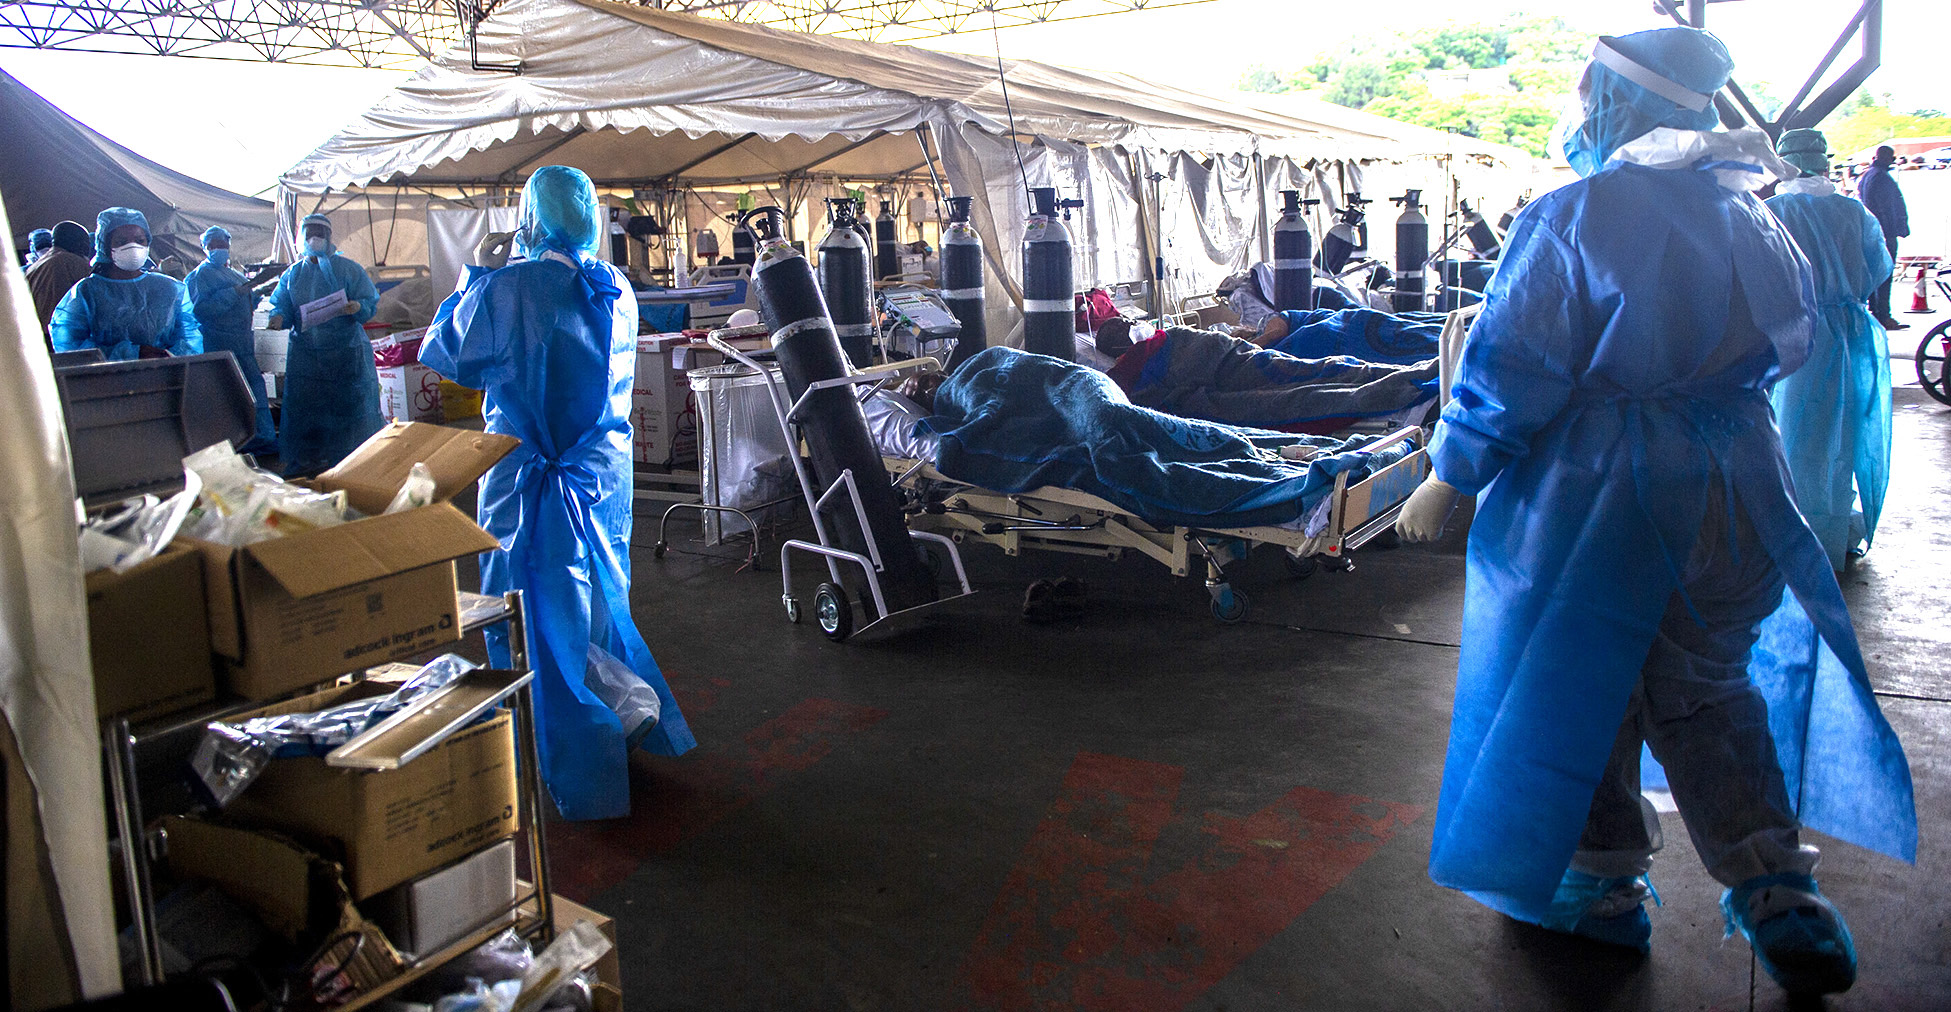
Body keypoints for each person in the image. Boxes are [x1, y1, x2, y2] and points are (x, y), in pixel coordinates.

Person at [1395, 28, 1914, 997]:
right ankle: (1774, 886)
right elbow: (1789, 342)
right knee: (1710, 690)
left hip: (1601, 495)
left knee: (1579, 694)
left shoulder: (1575, 214)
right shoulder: (1750, 214)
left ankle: (1597, 891)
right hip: (1737, 484)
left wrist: (1450, 472)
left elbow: (1514, 364)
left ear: (1612, 101)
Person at [421, 166, 695, 821]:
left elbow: (445, 352)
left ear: (529, 218)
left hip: (529, 479)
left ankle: (572, 758)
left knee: (532, 616)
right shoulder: (613, 286)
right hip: (600, 478)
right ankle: (616, 717)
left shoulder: (510, 288)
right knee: (595, 601)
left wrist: (474, 277)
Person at [1766, 130, 1893, 572]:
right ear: (1824, 163)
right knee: (1842, 439)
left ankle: (1792, 539)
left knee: (1789, 437)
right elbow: (1878, 267)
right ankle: (1834, 537)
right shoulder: (1854, 212)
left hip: (1793, 336)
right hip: (1850, 334)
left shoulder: (1771, 212)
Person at [266, 213, 381, 476]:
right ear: (301, 237)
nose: (315, 238)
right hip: (306, 357)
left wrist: (358, 306)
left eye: (320, 233)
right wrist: (279, 317)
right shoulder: (293, 274)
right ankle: (307, 462)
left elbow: (369, 301)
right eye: (310, 233)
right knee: (306, 409)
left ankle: (353, 461)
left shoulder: (348, 269)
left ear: (329, 236)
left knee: (349, 407)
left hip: (345, 352)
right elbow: (282, 303)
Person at [50, 208, 201, 361]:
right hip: (109, 374)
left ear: (148, 243)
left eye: (139, 240)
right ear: (105, 246)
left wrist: (169, 358)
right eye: (121, 242)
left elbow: (190, 337)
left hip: (168, 373)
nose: (133, 247)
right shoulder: (87, 292)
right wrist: (129, 354)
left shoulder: (169, 288)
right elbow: (69, 345)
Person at [185, 226, 276, 453]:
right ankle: (235, 443)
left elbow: (244, 303)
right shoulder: (200, 276)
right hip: (219, 344)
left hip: (243, 343)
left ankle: (262, 438)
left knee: (254, 391)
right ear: (204, 247)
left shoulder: (233, 274)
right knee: (228, 395)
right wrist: (235, 292)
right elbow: (203, 310)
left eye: (222, 244)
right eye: (213, 245)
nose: (219, 248)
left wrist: (260, 292)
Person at [1856, 145, 1909, 330]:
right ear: (1887, 158)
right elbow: (1887, 207)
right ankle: (1883, 315)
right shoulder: (1881, 178)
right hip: (1884, 232)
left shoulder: (1867, 176)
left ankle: (1875, 313)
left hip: (1873, 231)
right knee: (1885, 275)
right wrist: (1896, 228)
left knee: (1874, 275)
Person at [26, 220, 96, 339]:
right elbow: (96, 298)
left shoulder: (34, 266)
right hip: (60, 335)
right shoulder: (73, 262)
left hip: (34, 334)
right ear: (80, 244)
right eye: (86, 244)